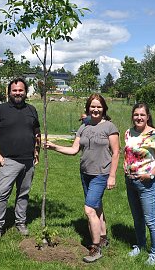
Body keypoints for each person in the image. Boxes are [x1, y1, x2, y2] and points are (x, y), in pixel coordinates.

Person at [45, 94, 119, 263]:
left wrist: (112, 175)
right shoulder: (83, 127)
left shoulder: (110, 127)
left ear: (104, 109)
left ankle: (95, 248)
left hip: (101, 173)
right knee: (97, 207)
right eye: (93, 106)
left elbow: (116, 152)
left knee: (89, 210)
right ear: (88, 108)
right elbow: (74, 150)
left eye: (99, 106)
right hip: (85, 173)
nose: (96, 109)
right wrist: (54, 146)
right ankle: (103, 238)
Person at [0, 78, 41, 242]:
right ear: (9, 92)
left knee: (23, 194)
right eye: (14, 90)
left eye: (21, 90)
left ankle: (20, 222)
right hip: (8, 161)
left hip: (28, 161)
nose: (18, 93)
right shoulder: (0, 110)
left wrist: (36, 152)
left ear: (25, 92)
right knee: (2, 194)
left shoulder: (32, 110)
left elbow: (37, 133)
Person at [124, 103, 155, 266]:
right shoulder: (128, 132)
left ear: (148, 116)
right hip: (130, 181)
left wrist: (150, 174)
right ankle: (140, 245)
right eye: (136, 114)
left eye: (142, 115)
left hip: (148, 184)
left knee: (150, 219)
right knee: (137, 218)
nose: (139, 118)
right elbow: (127, 153)